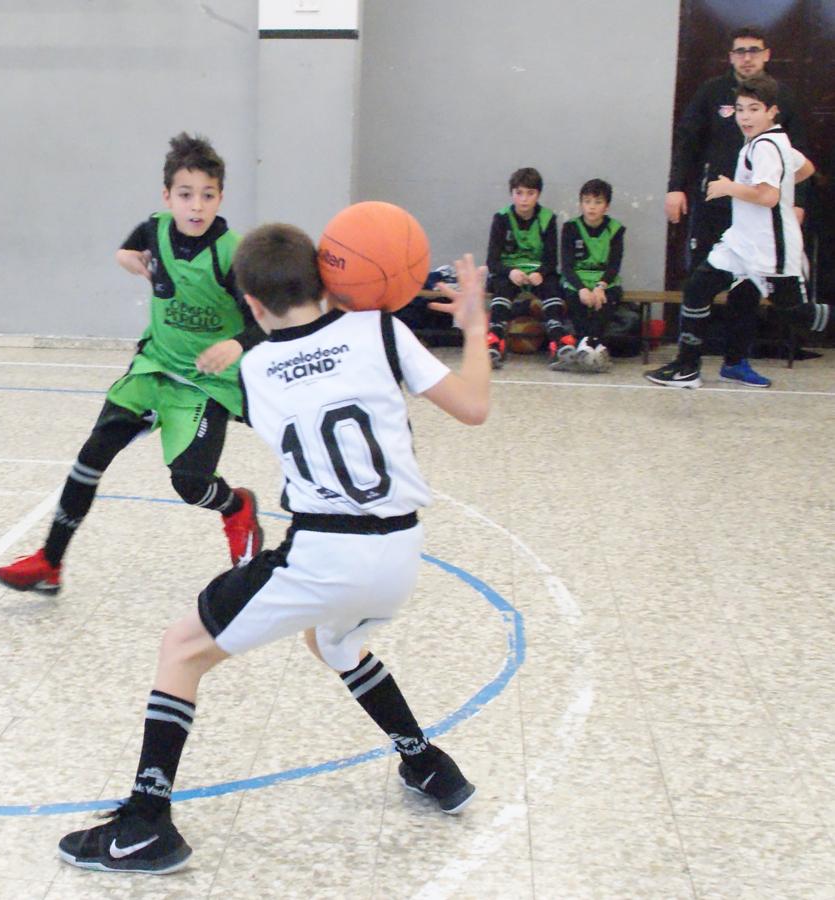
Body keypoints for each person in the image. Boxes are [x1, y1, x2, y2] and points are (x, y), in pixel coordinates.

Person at [56, 225, 490, 874]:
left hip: (323, 554)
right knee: (336, 642)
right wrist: (475, 319)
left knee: (181, 649)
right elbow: (475, 407)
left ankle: (146, 826)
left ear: (251, 306)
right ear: (326, 281)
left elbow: (246, 385)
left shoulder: (254, 369)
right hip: (401, 554)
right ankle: (427, 764)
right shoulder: (380, 331)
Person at [0, 133, 264, 593]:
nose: (196, 206)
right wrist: (124, 258)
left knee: (191, 483)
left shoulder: (232, 253)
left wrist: (236, 344)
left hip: (205, 382)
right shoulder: (155, 229)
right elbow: (128, 247)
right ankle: (50, 563)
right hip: (154, 366)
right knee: (91, 455)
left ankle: (237, 508)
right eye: (185, 194)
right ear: (166, 196)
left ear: (221, 196)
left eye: (207, 195)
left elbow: (262, 322)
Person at [647, 75, 825, 389]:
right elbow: (806, 168)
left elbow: (768, 196)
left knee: (796, 314)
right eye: (740, 109)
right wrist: (782, 185)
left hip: (771, 248)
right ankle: (687, 367)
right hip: (742, 241)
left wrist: (731, 187)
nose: (745, 116)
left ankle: (703, 364)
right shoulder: (772, 141)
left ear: (772, 111)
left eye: (754, 109)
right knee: (697, 288)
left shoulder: (767, 147)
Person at [665, 26, 808, 270]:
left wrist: (799, 203)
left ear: (767, 54)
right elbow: (687, 142)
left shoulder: (782, 96)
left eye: (754, 51)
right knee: (703, 275)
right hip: (716, 203)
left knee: (752, 283)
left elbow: (798, 155)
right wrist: (675, 188)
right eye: (740, 52)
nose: (747, 58)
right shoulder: (711, 92)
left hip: (763, 207)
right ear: (731, 56)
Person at [485, 167, 573, 369]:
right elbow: (492, 260)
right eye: (519, 193)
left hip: (536, 272)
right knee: (501, 285)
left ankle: (557, 339)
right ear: (512, 194)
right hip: (510, 272)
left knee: (552, 285)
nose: (524, 199)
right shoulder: (501, 218)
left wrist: (540, 273)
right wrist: (510, 272)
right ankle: (495, 338)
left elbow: (552, 259)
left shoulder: (547, 218)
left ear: (538, 194)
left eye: (530, 193)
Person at [559, 179, 626, 373]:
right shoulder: (571, 228)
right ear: (581, 204)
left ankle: (586, 344)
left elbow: (614, 264)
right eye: (587, 201)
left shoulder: (615, 229)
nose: (591, 207)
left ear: (607, 206)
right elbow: (567, 266)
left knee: (608, 300)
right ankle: (595, 346)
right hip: (576, 282)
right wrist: (581, 289)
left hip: (604, 282)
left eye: (597, 202)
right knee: (575, 301)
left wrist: (600, 286)